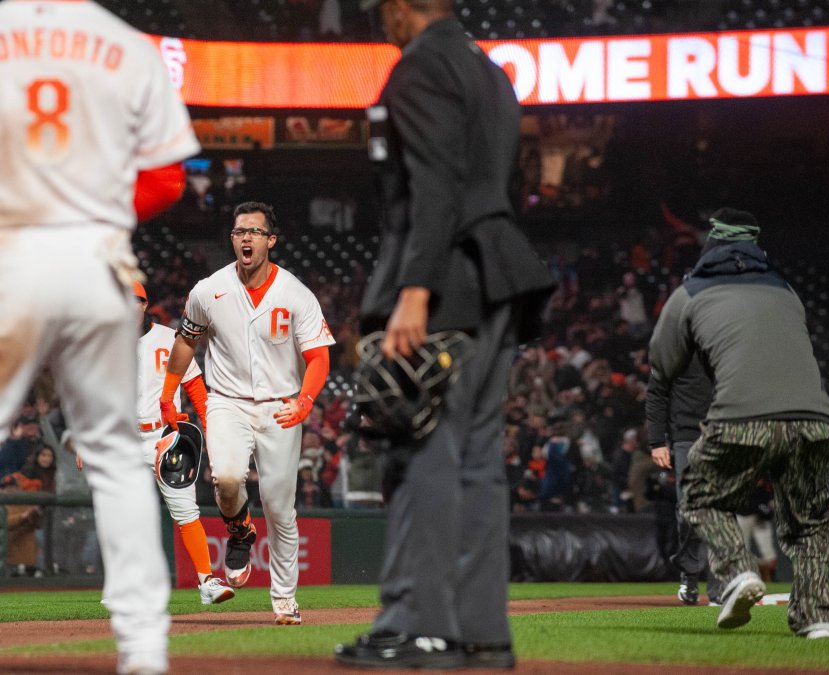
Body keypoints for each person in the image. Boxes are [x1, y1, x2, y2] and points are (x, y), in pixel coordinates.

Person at [0, 2, 201, 673]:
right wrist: (92, 208)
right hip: (98, 256)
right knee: (112, 453)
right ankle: (142, 643)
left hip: (4, 251)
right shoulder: (129, 44)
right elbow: (168, 178)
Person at [336, 0, 555, 669]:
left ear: (404, 8)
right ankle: (483, 632)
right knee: (480, 462)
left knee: (424, 449)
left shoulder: (420, 68)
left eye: (383, 8)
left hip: (448, 278)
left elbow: (435, 187)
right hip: (499, 274)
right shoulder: (491, 72)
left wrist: (414, 289)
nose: (378, 18)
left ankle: (420, 624)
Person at [650, 208, 829, 639]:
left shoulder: (690, 292)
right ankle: (817, 619)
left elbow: (663, 363)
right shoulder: (787, 291)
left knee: (697, 492)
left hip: (742, 415)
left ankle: (736, 573)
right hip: (814, 419)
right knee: (807, 520)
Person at [160, 200, 335, 625]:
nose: (246, 238)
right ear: (233, 239)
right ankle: (240, 530)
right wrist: (168, 394)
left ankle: (284, 599)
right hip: (227, 400)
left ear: (270, 240)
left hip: (281, 405)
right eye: (240, 231)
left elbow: (318, 358)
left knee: (279, 507)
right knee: (227, 479)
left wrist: (306, 401)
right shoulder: (209, 289)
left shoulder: (296, 293)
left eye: (255, 231)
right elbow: (186, 341)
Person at [131, 280, 235, 605]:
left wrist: (213, 429)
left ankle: (206, 582)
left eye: (134, 301)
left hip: (166, 435)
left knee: (186, 511)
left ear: (145, 304)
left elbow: (196, 389)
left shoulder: (170, 338)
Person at [646, 358, 723, 606]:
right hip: (687, 436)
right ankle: (689, 576)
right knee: (689, 511)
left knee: (719, 510)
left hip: (722, 434)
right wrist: (657, 441)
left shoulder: (722, 345)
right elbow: (656, 393)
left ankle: (718, 587)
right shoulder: (675, 347)